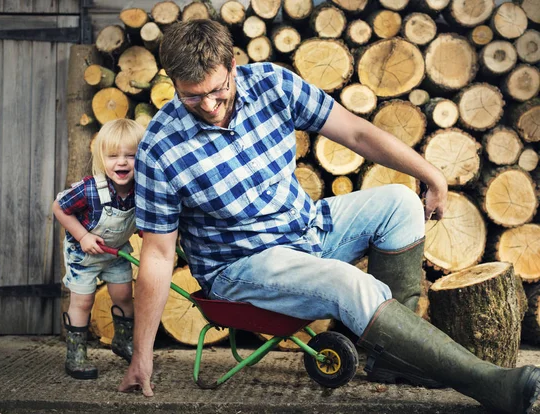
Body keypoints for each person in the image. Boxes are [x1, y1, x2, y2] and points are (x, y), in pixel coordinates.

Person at [120, 20, 540, 413]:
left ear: (233, 64)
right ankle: (489, 384)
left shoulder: (273, 84)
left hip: (307, 229)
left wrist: (430, 173)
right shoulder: (161, 148)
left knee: (400, 202)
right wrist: (142, 354)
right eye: (191, 96)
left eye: (217, 90)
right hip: (241, 266)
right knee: (348, 283)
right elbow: (157, 255)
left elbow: (356, 132)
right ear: (171, 82)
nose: (209, 105)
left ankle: (394, 362)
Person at [53, 118, 145, 379]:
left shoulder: (142, 190)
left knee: (124, 296)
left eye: (131, 155)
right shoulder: (91, 189)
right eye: (113, 155)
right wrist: (82, 236)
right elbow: (59, 207)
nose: (122, 162)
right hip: (84, 255)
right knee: (83, 301)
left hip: (116, 254)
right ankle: (76, 354)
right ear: (101, 157)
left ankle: (123, 341)